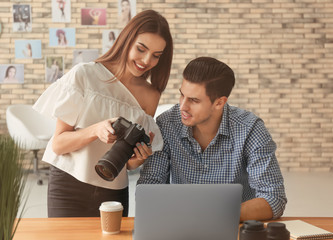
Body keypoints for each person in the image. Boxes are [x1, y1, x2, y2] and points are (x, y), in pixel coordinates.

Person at [33, 9, 173, 218]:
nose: (146, 60)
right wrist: (95, 130)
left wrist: (138, 159)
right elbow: (58, 144)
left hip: (113, 190)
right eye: (141, 49)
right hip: (68, 185)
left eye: (156, 56)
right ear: (127, 40)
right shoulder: (85, 74)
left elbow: (128, 164)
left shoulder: (150, 95)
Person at [138, 57, 287, 222]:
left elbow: (273, 198)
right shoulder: (166, 124)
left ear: (219, 103)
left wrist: (216, 215)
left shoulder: (250, 129)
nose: (183, 106)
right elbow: (148, 189)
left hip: (233, 227)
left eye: (194, 100)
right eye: (182, 95)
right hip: (181, 225)